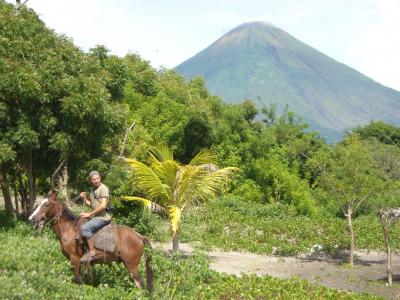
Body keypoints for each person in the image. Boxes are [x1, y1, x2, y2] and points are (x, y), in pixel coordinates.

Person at [79, 170, 112, 262]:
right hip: (96, 216)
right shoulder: (92, 190)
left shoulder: (103, 188)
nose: (96, 181)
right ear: (91, 181)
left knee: (85, 228)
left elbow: (103, 205)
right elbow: (93, 205)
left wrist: (89, 214)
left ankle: (92, 252)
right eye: (94, 179)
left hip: (103, 217)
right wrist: (84, 199)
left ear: (100, 178)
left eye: (98, 178)